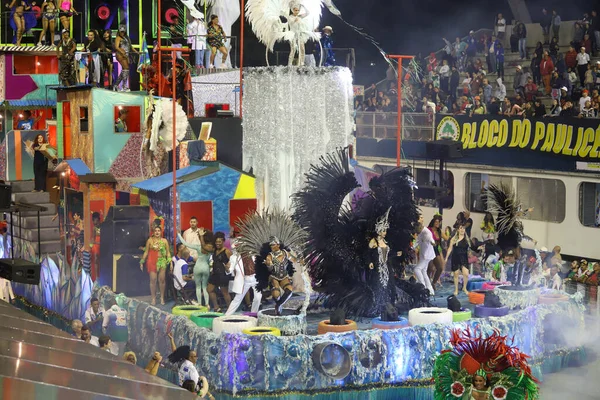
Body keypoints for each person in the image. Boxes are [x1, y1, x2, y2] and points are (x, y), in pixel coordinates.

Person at [178, 228, 214, 309]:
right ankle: (207, 304)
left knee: (198, 287)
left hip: (197, 267)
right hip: (206, 267)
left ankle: (200, 305)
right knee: (204, 287)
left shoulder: (198, 247)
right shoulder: (211, 247)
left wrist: (179, 235)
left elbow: (185, 243)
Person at [225, 240, 262, 315]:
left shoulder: (253, 253)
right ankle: (226, 315)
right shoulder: (234, 257)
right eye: (238, 247)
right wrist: (227, 268)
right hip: (244, 280)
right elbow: (229, 270)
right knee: (237, 299)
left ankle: (253, 314)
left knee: (258, 298)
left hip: (256, 278)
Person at [140, 226, 172, 305]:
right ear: (153, 232)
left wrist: (170, 262)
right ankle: (153, 298)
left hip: (162, 261)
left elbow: (168, 252)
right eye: (155, 231)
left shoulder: (164, 241)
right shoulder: (150, 241)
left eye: (159, 231)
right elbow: (146, 252)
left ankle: (161, 298)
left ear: (161, 232)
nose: (157, 232)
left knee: (162, 280)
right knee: (153, 280)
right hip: (152, 261)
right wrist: (142, 261)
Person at [265, 236, 298, 315]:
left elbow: (294, 259)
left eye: (273, 245)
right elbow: (270, 269)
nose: (272, 247)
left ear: (278, 245)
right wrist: (269, 265)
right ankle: (278, 304)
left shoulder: (285, 253)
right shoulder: (269, 256)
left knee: (289, 290)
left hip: (284, 276)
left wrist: (300, 260)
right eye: (271, 245)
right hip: (274, 277)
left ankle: (278, 305)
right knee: (276, 295)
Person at [444, 224, 471, 296]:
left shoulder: (467, 239)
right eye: (461, 228)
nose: (462, 230)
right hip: (455, 257)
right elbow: (450, 248)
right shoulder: (454, 239)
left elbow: (470, 248)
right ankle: (456, 289)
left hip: (464, 258)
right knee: (456, 274)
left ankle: (464, 288)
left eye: (463, 228)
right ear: (458, 230)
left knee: (466, 274)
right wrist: (446, 257)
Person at [415, 214, 435, 296]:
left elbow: (431, 239)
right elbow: (417, 241)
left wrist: (432, 242)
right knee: (423, 271)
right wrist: (412, 248)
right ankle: (430, 290)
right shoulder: (420, 232)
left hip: (427, 255)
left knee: (417, 269)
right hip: (423, 254)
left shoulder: (427, 232)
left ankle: (422, 286)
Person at [114, 25, 138, 92]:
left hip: (126, 55)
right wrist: (122, 51)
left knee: (125, 70)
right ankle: (124, 86)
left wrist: (137, 52)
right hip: (120, 54)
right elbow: (116, 47)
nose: (122, 33)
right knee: (126, 69)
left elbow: (131, 47)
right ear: (119, 31)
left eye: (123, 31)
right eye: (121, 31)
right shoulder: (118, 38)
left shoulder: (126, 38)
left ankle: (116, 85)